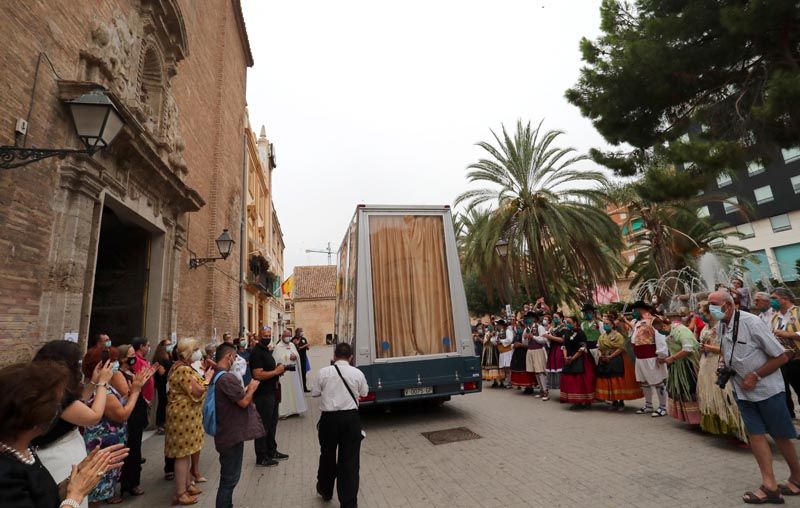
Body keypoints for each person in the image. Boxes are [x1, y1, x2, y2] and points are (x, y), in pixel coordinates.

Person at [710, 290, 800, 504]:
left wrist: (756, 375)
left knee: (780, 435)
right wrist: (724, 366)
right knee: (756, 434)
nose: (710, 308)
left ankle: (797, 478)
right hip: (742, 391)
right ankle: (769, 485)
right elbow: (728, 352)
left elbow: (781, 356)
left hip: (767, 390)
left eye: (714, 304)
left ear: (729, 305)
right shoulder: (722, 325)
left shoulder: (752, 323)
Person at [0, 361, 129, 508]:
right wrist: (76, 495)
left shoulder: (24, 449)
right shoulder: (5, 474)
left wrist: (74, 480)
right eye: (56, 406)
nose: (57, 412)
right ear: (35, 415)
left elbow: (44, 497)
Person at [32, 341, 114, 508]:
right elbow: (93, 416)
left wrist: (93, 382)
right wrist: (103, 384)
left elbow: (79, 404)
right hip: (59, 457)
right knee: (71, 498)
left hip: (62, 451)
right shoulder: (55, 393)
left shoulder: (49, 388)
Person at [81, 347, 154, 507]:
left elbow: (119, 401)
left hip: (103, 442)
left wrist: (131, 389)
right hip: (103, 443)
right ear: (102, 366)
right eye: (112, 362)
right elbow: (123, 414)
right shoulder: (102, 392)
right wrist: (135, 392)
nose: (115, 365)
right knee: (97, 490)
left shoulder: (92, 386)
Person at [312, 342, 368, 508]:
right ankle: (348, 503)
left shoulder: (323, 372)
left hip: (328, 420)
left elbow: (314, 393)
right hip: (351, 419)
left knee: (327, 456)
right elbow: (364, 393)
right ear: (351, 357)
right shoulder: (357, 373)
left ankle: (325, 490)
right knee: (350, 461)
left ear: (334, 356)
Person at [212, 343, 265, 508]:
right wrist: (252, 389)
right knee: (229, 479)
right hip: (230, 435)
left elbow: (236, 396)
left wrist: (247, 388)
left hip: (228, 433)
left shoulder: (220, 376)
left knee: (229, 477)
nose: (235, 361)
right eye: (234, 358)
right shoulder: (227, 377)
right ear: (228, 357)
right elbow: (243, 402)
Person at [165, 339, 212, 506]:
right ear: (188, 353)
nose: (199, 352)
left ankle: (187, 484)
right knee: (183, 455)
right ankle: (180, 493)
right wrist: (207, 378)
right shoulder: (183, 369)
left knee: (186, 452)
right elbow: (198, 390)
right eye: (196, 349)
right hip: (183, 417)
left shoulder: (181, 367)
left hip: (188, 416)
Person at [695, 301, 747, 443]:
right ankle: (727, 429)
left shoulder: (722, 327)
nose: (701, 315)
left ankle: (742, 431)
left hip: (719, 363)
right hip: (707, 364)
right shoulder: (706, 327)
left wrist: (709, 348)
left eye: (703, 313)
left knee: (727, 397)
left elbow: (728, 348)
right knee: (713, 396)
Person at [119, 337, 155, 498]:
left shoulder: (132, 371)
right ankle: (125, 484)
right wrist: (137, 387)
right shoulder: (118, 374)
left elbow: (139, 387)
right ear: (122, 358)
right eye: (131, 354)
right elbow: (128, 393)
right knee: (128, 451)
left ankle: (133, 482)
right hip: (129, 416)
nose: (134, 357)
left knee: (135, 450)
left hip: (137, 413)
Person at [250, 327, 288, 467]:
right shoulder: (256, 352)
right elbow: (258, 374)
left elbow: (268, 370)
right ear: (260, 336)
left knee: (272, 424)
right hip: (263, 395)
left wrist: (277, 372)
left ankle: (271, 451)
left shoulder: (266, 350)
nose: (267, 337)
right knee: (263, 426)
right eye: (265, 335)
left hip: (272, 392)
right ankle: (261, 456)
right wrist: (275, 371)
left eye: (269, 335)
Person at [653, 316, 701, 425]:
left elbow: (688, 349)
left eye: (659, 329)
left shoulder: (681, 331)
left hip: (688, 365)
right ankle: (690, 418)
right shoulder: (670, 332)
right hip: (678, 365)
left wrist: (672, 358)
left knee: (690, 389)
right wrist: (666, 358)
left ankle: (698, 418)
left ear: (664, 326)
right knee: (679, 390)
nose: (659, 332)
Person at [595, 315, 643, 410]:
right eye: (604, 324)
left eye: (607, 324)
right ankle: (614, 401)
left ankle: (621, 402)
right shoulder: (602, 336)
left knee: (617, 379)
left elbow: (620, 348)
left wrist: (610, 356)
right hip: (605, 359)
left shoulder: (618, 335)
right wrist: (602, 355)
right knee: (608, 380)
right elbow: (600, 347)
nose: (605, 325)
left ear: (612, 325)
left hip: (616, 359)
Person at [630, 300, 669, 417]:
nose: (633, 312)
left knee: (658, 382)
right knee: (644, 382)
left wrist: (661, 355)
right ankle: (648, 405)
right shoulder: (638, 323)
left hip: (652, 357)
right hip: (640, 357)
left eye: (634, 310)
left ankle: (663, 407)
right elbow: (634, 339)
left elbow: (661, 338)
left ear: (640, 310)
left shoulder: (654, 320)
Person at [771, 287, 800, 419]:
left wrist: (787, 334)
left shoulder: (798, 311)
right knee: (784, 392)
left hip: (798, 359)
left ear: (785, 299)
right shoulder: (775, 317)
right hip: (782, 360)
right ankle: (791, 420)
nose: (772, 301)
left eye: (774, 298)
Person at [559, 316, 597, 409]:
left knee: (580, 380)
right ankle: (575, 401)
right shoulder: (567, 333)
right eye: (566, 322)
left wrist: (573, 358)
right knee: (569, 379)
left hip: (579, 357)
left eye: (569, 322)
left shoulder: (581, 333)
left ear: (575, 323)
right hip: (568, 357)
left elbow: (582, 348)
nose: (567, 324)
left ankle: (584, 401)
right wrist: (565, 357)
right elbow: (564, 346)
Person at [273, 330, 308, 418]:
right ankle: (284, 412)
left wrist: (295, 357)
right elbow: (276, 360)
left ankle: (296, 410)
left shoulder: (292, 345)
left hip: (293, 374)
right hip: (284, 375)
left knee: (295, 390)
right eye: (286, 336)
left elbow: (297, 355)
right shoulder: (278, 347)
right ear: (282, 337)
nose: (288, 337)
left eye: (289, 336)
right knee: (285, 392)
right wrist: (286, 358)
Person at [524, 313, 549, 399]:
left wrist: (533, 337)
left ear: (534, 318)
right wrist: (525, 338)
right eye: (527, 318)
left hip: (538, 350)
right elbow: (525, 343)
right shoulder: (526, 329)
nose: (528, 319)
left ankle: (545, 391)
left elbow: (544, 340)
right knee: (535, 371)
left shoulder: (540, 327)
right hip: (530, 350)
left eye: (530, 317)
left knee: (540, 371)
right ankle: (541, 390)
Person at [152, 339, 173, 435]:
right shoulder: (159, 358)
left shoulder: (169, 355)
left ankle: (165, 423)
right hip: (162, 384)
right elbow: (162, 372)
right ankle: (160, 424)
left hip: (168, 383)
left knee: (166, 403)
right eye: (168, 344)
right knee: (162, 403)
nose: (170, 346)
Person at [510, 316, 535, 392]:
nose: (519, 326)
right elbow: (513, 341)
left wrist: (521, 345)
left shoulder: (527, 331)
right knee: (520, 369)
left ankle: (529, 387)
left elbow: (529, 344)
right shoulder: (518, 332)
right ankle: (524, 386)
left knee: (526, 369)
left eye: (521, 324)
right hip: (518, 353)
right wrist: (514, 345)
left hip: (525, 352)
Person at [543, 312, 565, 390]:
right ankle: (556, 387)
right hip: (553, 348)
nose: (555, 319)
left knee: (560, 367)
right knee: (553, 367)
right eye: (554, 317)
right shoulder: (554, 327)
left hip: (560, 348)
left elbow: (562, 340)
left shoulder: (564, 327)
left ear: (561, 318)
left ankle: (563, 388)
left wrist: (550, 337)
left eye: (556, 317)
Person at [497, 320, 514, 388]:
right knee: (504, 368)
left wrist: (501, 341)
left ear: (502, 325)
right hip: (502, 352)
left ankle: (510, 382)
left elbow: (510, 340)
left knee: (508, 367)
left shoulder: (508, 331)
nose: (498, 326)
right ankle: (508, 381)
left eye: (499, 325)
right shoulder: (500, 332)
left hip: (507, 352)